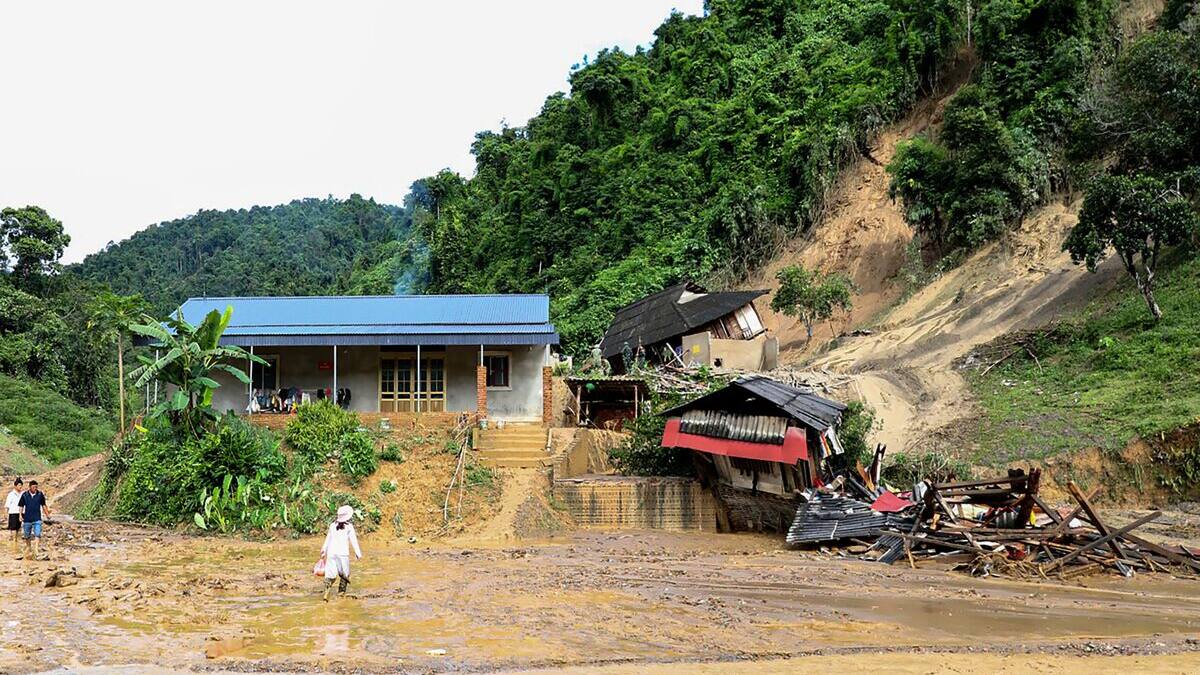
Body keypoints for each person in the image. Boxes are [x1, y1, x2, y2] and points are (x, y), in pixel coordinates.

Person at [319, 505, 361, 601]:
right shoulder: (349, 527)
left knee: (330, 574)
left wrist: (323, 550)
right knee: (345, 574)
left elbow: (327, 539)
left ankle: (326, 593)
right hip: (343, 554)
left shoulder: (332, 525)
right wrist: (358, 553)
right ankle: (341, 594)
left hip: (331, 553)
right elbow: (353, 540)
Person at [18, 480, 49, 561]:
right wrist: (20, 515)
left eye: (36, 487)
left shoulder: (40, 494)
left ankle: (36, 549)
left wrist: (47, 514)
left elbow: (43, 505)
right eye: (33, 487)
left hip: (37, 518)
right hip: (27, 519)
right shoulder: (25, 495)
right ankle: (28, 547)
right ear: (30, 487)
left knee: (37, 534)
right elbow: (21, 506)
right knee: (26, 535)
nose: (35, 488)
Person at [5, 478, 23, 555]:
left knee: (19, 528)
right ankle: (14, 543)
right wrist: (6, 515)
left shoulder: (22, 494)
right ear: (15, 486)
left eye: (21, 485)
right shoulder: (11, 494)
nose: (20, 487)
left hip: (20, 513)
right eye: (19, 485)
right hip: (13, 513)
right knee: (13, 528)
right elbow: (7, 505)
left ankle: (16, 542)